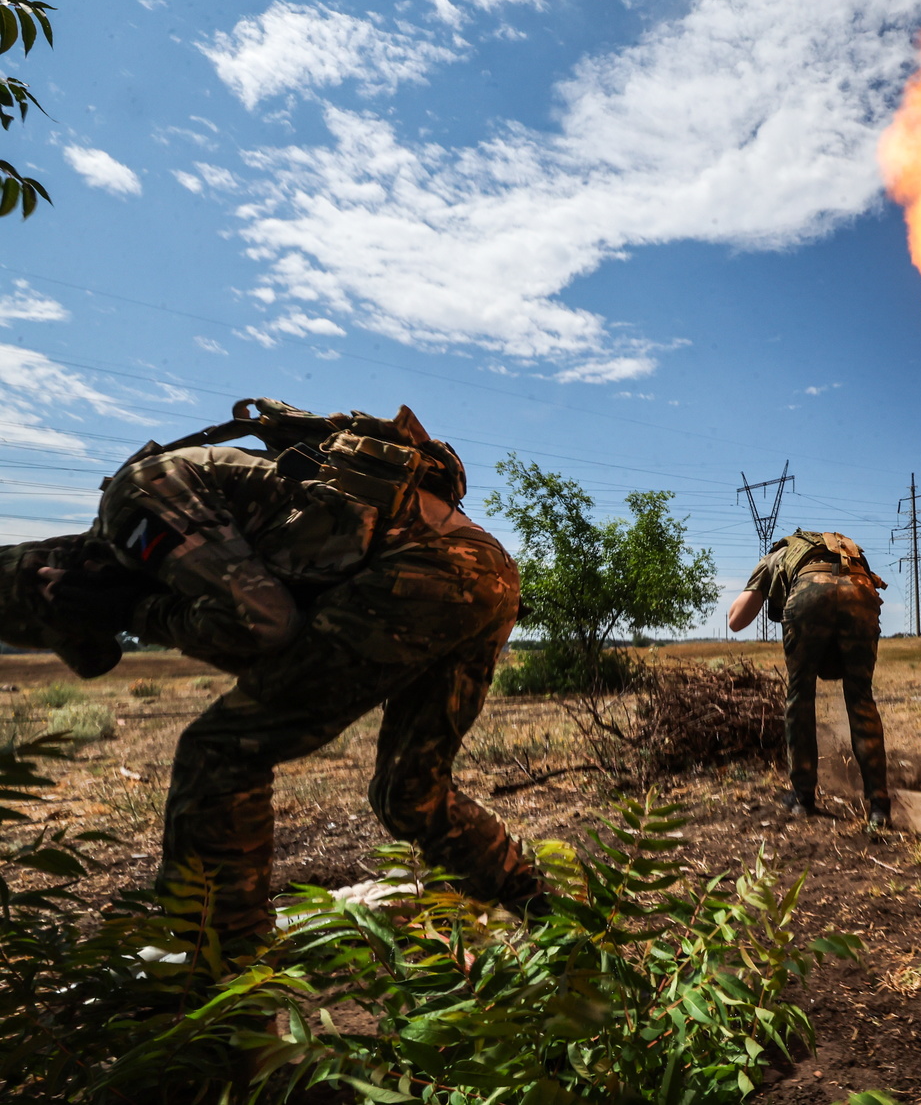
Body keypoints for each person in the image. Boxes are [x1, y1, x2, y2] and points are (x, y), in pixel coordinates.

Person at [0, 398, 547, 941]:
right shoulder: (167, 543)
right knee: (410, 792)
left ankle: (216, 981)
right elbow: (267, 641)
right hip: (483, 567)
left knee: (222, 750)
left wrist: (139, 612)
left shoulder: (134, 501)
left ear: (53, 579)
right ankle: (550, 917)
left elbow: (264, 626)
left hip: (421, 569)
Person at [728, 529, 889, 828]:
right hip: (862, 593)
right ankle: (879, 805)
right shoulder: (848, 550)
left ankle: (803, 797)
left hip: (809, 593)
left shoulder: (779, 554)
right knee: (861, 698)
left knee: (800, 697)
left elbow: (736, 621)